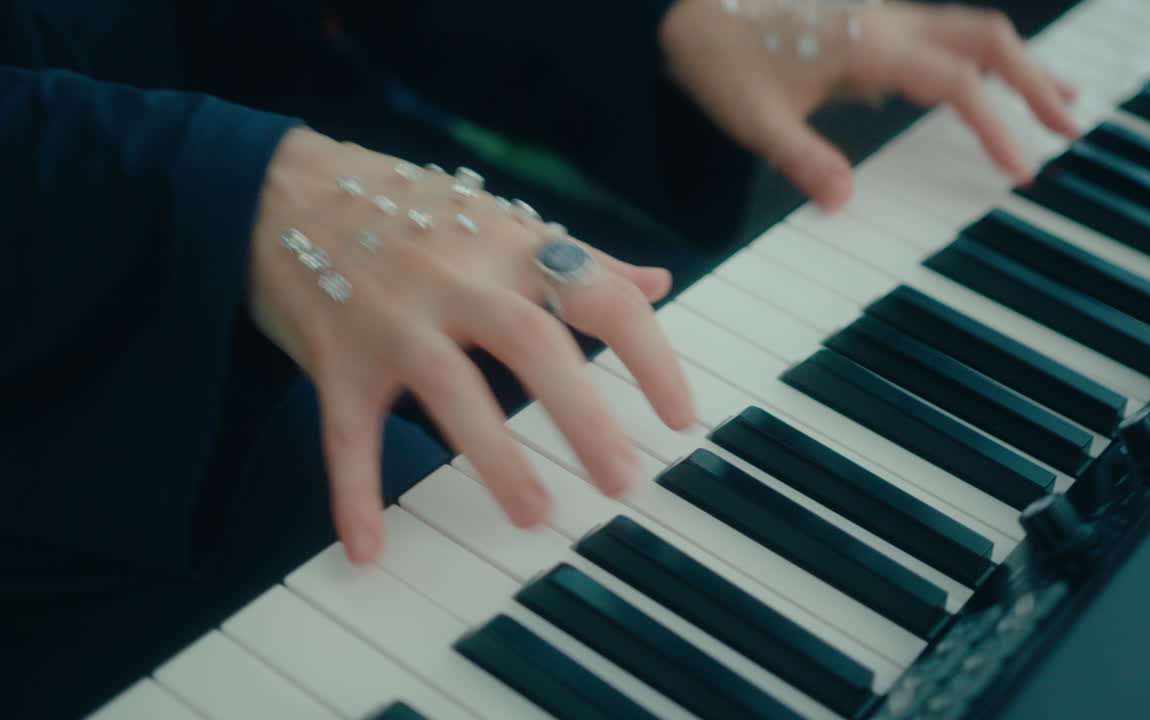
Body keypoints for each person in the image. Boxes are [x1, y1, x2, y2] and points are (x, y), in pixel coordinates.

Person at [1, 0, 1077, 715]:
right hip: (72, 307)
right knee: (424, 566)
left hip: (243, 111)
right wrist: (214, 191)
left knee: (674, 384)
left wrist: (657, 15)